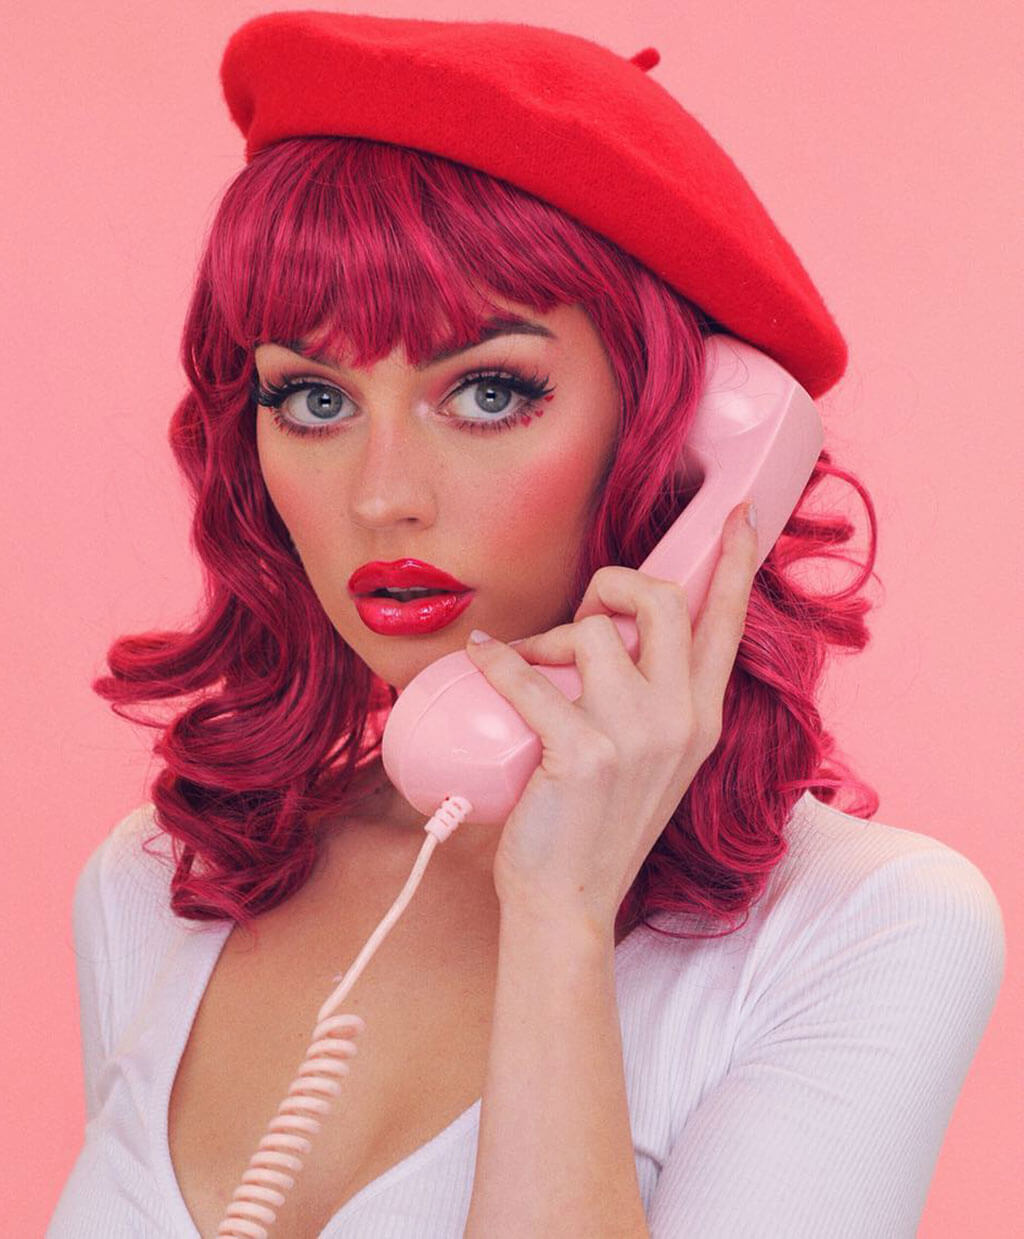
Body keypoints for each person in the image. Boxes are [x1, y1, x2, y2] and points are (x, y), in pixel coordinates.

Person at [49, 12, 1005, 1239]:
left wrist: (558, 920)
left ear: (681, 432)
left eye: (488, 390)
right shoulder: (160, 882)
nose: (383, 492)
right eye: (312, 395)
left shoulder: (866, 928)